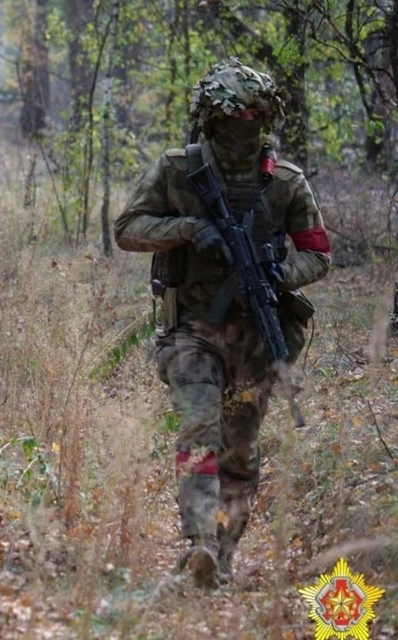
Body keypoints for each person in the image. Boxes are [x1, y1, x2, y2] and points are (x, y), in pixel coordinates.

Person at [114, 59, 331, 588]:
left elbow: (318, 254)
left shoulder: (285, 182)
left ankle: (223, 557)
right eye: (238, 119)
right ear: (214, 120)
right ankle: (199, 543)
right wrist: (188, 229)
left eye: (257, 119)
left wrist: (278, 273)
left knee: (241, 451)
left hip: (257, 335)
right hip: (192, 328)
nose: (247, 130)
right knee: (199, 430)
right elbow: (128, 229)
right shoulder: (176, 169)